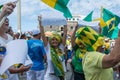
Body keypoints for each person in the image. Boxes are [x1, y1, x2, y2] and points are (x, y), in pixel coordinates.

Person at [0, 2, 31, 80]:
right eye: (4, 19)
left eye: (7, 19)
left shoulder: (10, 38)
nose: (6, 21)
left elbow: (12, 59)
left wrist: (20, 65)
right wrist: (2, 13)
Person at [38, 16, 67, 80]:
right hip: (50, 76)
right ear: (50, 41)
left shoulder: (61, 48)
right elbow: (43, 34)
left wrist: (65, 23)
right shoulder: (48, 48)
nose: (54, 41)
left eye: (56, 39)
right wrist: (40, 23)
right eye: (52, 40)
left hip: (61, 76)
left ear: (59, 40)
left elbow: (65, 34)